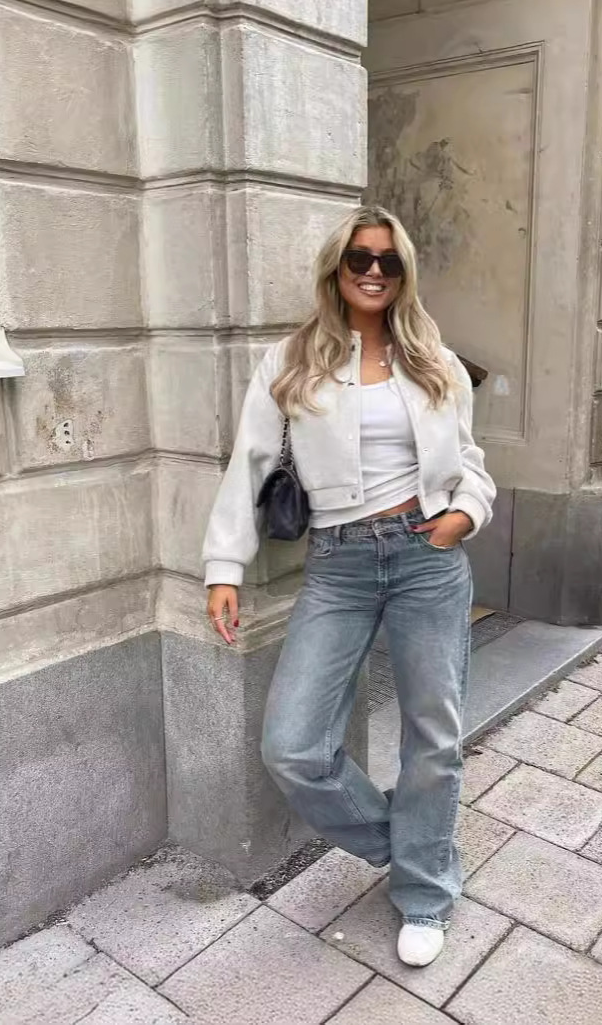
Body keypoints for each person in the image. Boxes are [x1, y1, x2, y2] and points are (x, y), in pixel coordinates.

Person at [203, 205, 496, 967]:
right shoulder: (291, 360)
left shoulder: (433, 359)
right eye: (358, 259)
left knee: (433, 737)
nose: (372, 271)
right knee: (293, 745)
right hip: (337, 564)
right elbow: (249, 462)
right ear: (335, 270)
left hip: (426, 557)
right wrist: (224, 567)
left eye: (387, 261)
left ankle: (424, 891)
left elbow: (470, 462)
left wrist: (461, 516)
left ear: (404, 274)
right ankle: (412, 846)